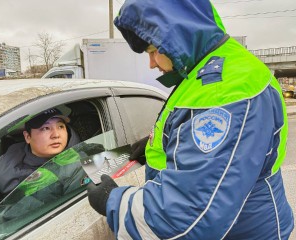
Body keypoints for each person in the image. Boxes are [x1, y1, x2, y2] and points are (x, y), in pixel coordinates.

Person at [87, 0, 294, 239]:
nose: (151, 63)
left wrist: (113, 201)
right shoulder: (208, 71)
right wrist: (162, 144)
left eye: (154, 51)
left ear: (178, 36)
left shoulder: (224, 90)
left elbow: (188, 218)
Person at [0, 108, 80, 224]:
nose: (56, 135)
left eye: (61, 126)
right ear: (27, 137)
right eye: (46, 128)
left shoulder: (77, 166)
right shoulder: (12, 154)